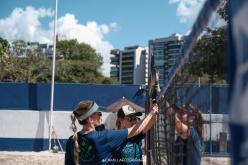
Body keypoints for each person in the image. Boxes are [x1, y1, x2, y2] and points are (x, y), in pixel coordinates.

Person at [65, 100, 158, 165]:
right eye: (99, 113)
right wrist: (151, 113)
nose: (101, 115)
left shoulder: (71, 141)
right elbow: (134, 130)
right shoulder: (104, 137)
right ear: (90, 119)